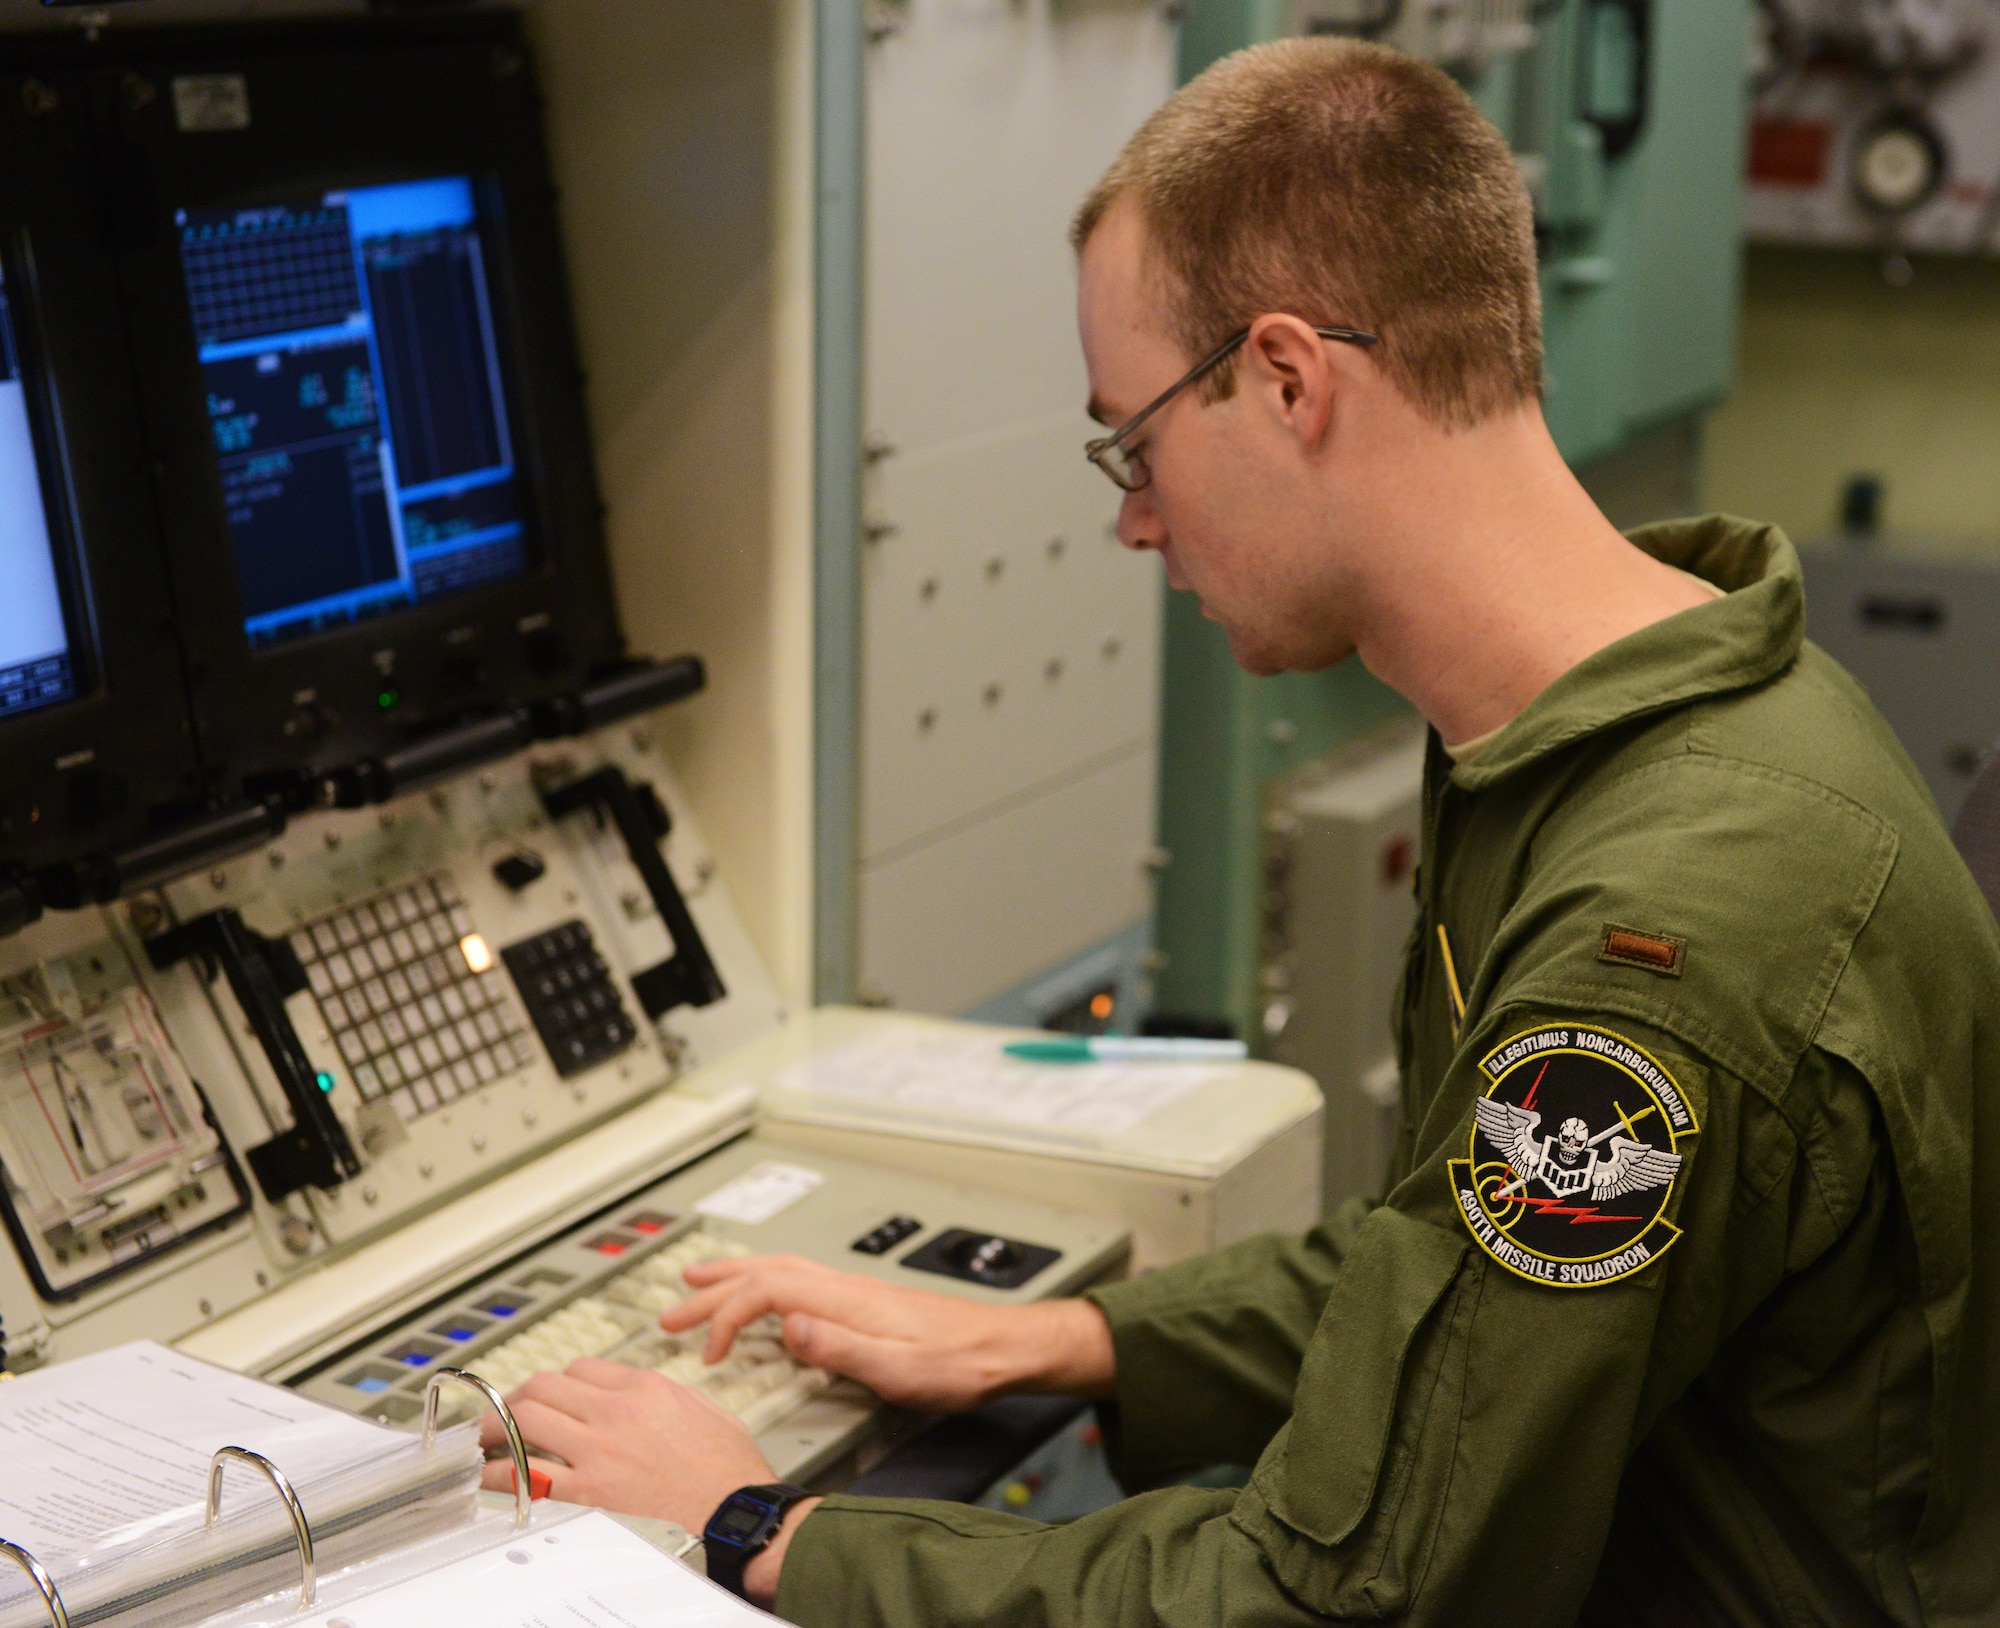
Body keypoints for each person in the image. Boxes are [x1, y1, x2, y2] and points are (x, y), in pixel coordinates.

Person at [483, 37, 2000, 1626]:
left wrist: (752, 1530)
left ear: (1287, 380)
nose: (1133, 518)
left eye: (1131, 445)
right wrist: (1074, 1338)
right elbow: (1455, 1282)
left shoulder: (1665, 938)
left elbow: (1341, 1596)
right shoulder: (1642, 722)